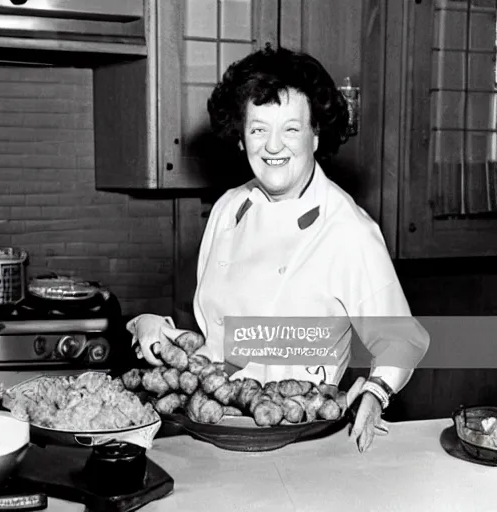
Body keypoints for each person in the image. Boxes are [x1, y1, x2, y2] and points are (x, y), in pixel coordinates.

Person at [130, 45, 430, 452]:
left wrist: (378, 391)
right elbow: (227, 346)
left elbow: (401, 336)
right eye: (258, 129)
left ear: (315, 134)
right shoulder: (228, 210)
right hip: (213, 428)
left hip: (301, 440)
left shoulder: (346, 229)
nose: (273, 146)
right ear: (240, 137)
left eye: (290, 129)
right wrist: (160, 333)